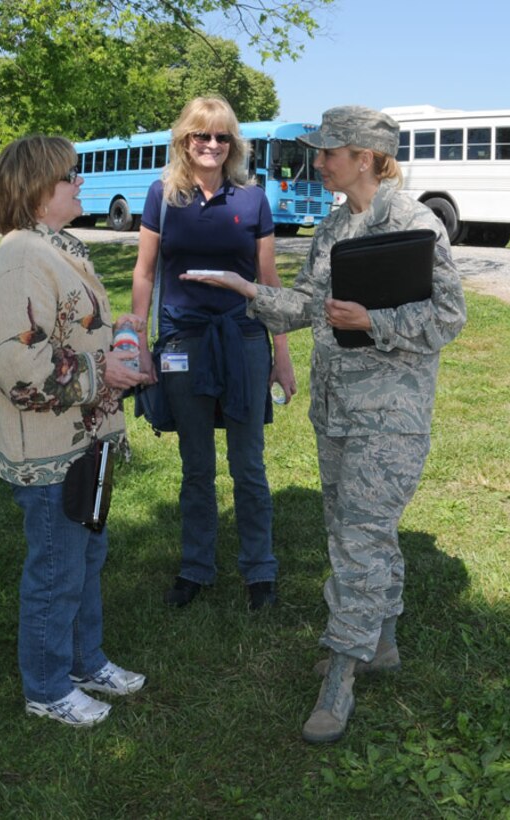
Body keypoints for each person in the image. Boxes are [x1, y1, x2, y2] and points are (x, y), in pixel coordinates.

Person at [183, 105, 467, 743]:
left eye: (328, 152)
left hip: (389, 418)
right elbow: (308, 307)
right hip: (335, 410)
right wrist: (248, 291)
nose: (318, 161)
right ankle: (382, 642)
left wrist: (375, 323)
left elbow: (449, 318)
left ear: (363, 157)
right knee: (355, 528)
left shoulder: (415, 223)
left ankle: (340, 672)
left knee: (358, 541)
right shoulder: (334, 225)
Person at [0, 135, 149, 727]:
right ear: (39, 188)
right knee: (56, 569)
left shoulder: (57, 246)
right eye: (71, 176)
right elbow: (16, 362)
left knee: (85, 557)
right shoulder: (24, 255)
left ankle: (83, 660)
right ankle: (47, 689)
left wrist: (112, 336)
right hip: (49, 446)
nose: (80, 183)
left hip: (83, 437)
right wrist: (106, 369)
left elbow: (65, 330)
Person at [131, 96, 297, 611]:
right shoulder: (163, 195)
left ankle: (259, 572)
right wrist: (138, 341)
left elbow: (268, 282)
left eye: (222, 137)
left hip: (243, 339)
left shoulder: (253, 199)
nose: (212, 145)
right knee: (196, 465)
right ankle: (196, 568)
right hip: (181, 342)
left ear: (234, 144)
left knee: (249, 465)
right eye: (202, 136)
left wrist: (282, 352)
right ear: (185, 140)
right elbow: (143, 271)